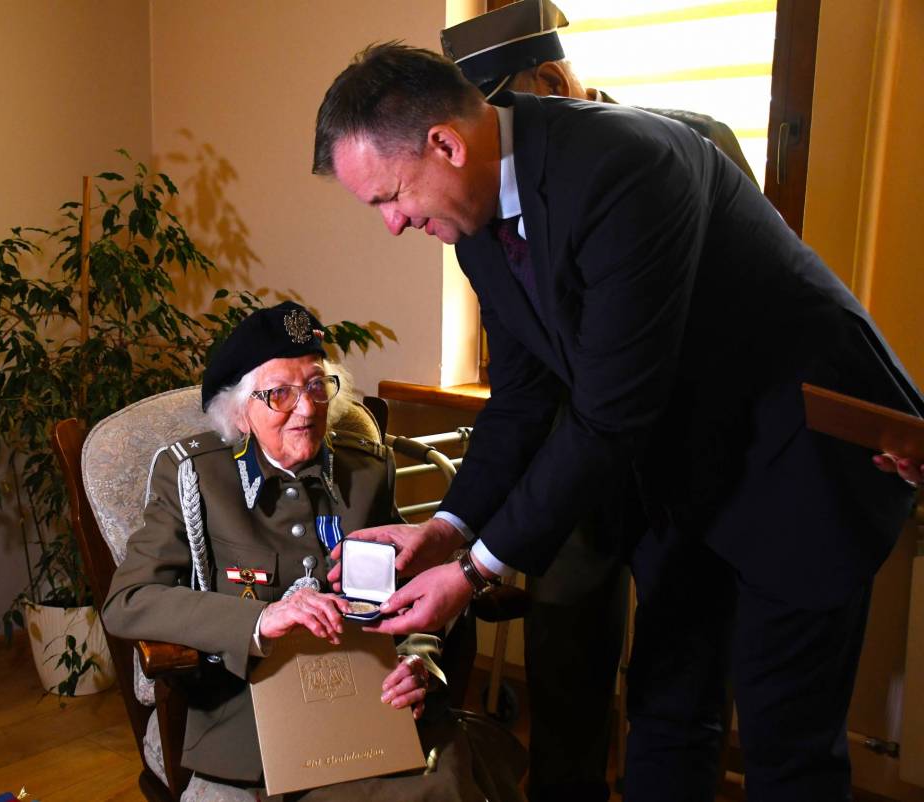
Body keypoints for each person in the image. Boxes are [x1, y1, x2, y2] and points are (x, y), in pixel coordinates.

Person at [312, 44, 924, 801]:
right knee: (667, 711)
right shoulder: (474, 226)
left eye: (389, 197)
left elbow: (608, 413)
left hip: (799, 465)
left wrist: (474, 574)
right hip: (684, 472)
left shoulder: (627, 165)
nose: (393, 224)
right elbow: (523, 397)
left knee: (786, 749)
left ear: (446, 144)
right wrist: (447, 529)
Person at [102, 301, 523, 802]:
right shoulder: (196, 477)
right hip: (253, 716)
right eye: (280, 393)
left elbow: (412, 593)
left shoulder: (367, 470)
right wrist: (261, 619)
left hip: (374, 703)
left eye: (317, 386)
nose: (306, 409)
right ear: (240, 410)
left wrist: (418, 663)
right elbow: (128, 602)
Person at [440, 0, 757, 182]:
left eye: (501, 118)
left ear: (552, 84)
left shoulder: (700, 139)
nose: (497, 139)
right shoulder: (522, 178)